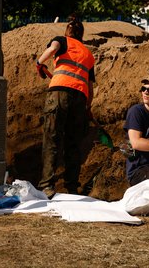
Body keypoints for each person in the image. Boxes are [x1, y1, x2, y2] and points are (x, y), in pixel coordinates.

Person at [35, 16, 95, 198]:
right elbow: (90, 87)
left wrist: (39, 63)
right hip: (80, 97)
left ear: (67, 32)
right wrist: (88, 107)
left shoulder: (62, 41)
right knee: (73, 143)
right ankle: (71, 187)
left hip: (59, 93)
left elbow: (52, 50)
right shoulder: (88, 53)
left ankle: (47, 186)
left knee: (52, 138)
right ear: (82, 35)